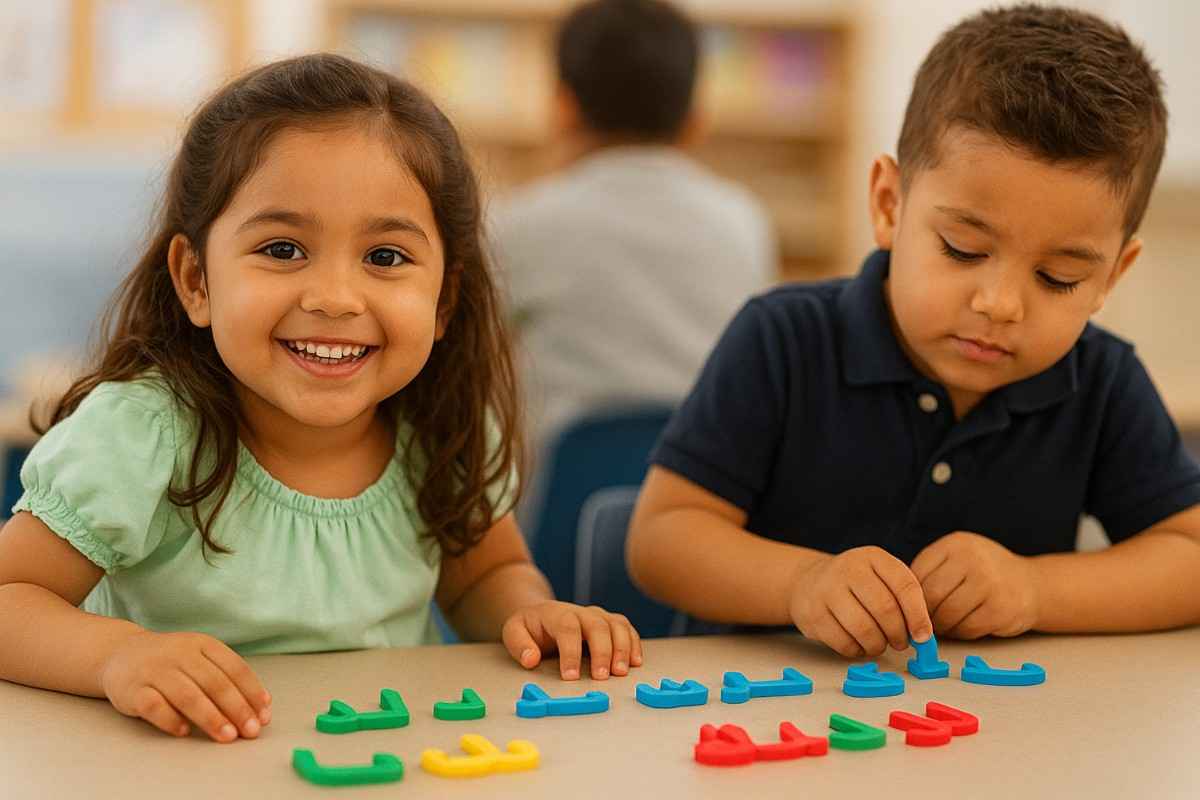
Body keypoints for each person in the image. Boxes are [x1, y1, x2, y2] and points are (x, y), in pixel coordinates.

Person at [0, 54, 642, 744]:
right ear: (196, 281)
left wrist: (529, 610)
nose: (334, 298)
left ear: (443, 299)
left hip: (390, 764)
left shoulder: (442, 428)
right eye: (282, 249)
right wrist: (116, 657)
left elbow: (486, 573)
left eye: (386, 258)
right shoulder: (139, 435)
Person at [627, 5, 1200, 658]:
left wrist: (1036, 588)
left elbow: (1189, 556)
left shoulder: (1101, 378)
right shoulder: (782, 340)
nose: (1000, 303)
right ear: (889, 205)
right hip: (761, 725)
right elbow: (661, 540)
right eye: (961, 248)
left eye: (1058, 277)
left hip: (1000, 739)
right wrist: (800, 583)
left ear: (1112, 276)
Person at [491, 0, 775, 455]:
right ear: (694, 117)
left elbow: (468, 356)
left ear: (563, 107)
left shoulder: (524, 223)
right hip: (709, 494)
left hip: (562, 509)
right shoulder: (743, 221)